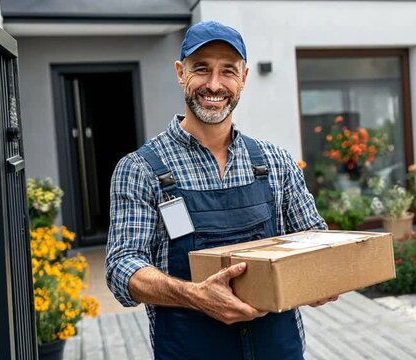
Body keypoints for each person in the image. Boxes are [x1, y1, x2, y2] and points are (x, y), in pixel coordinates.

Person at [105, 20, 336, 360]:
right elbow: (122, 266)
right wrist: (194, 294)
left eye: (227, 71)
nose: (214, 84)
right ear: (180, 73)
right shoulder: (140, 169)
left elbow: (315, 237)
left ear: (243, 78)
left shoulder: (276, 162)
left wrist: (321, 276)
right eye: (201, 69)